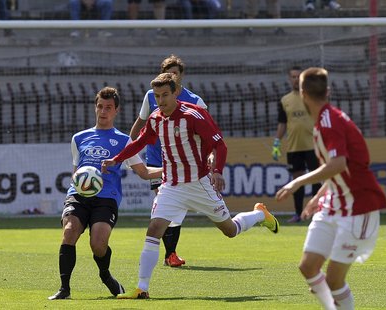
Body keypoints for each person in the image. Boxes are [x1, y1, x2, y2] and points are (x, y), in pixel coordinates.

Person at [103, 73, 279, 299]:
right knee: (154, 229)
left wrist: (217, 171)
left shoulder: (193, 115)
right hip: (171, 186)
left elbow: (220, 146)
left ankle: (259, 214)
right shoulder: (156, 118)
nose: (161, 100)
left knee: (230, 230)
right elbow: (140, 142)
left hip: (199, 184)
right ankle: (141, 288)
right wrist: (116, 159)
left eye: (165, 95)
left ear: (175, 92)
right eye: (156, 96)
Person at [275, 67, 386, 310]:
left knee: (334, 280)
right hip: (334, 203)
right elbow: (336, 169)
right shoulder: (325, 120)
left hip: (358, 207)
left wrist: (297, 182)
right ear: (328, 91)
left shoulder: (329, 121)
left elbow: (338, 163)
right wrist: (318, 195)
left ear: (302, 93)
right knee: (308, 267)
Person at [48, 87, 163, 300]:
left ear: (116, 110)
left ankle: (105, 275)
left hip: (106, 198)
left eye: (108, 107)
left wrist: (172, 168)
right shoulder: (79, 138)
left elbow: (144, 172)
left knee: (98, 244)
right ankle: (64, 288)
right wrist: (79, 185)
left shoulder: (124, 141)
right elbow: (77, 172)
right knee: (69, 232)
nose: (103, 111)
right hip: (79, 196)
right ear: (95, 107)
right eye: (100, 106)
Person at [129, 55, 206, 268]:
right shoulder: (151, 96)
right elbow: (140, 123)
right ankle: (170, 254)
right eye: (168, 72)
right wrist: (128, 145)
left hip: (184, 163)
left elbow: (206, 133)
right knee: (166, 207)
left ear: (181, 76)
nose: (172, 76)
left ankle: (169, 253)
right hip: (156, 159)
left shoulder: (196, 101)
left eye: (176, 73)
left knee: (175, 209)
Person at [272, 66, 321, 223]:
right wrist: (277, 142)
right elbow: (282, 123)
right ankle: (298, 214)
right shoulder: (285, 100)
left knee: (316, 179)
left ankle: (316, 213)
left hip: (313, 145)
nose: (295, 79)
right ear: (289, 79)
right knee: (296, 180)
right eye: (293, 76)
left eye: (298, 76)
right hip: (294, 147)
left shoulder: (312, 97)